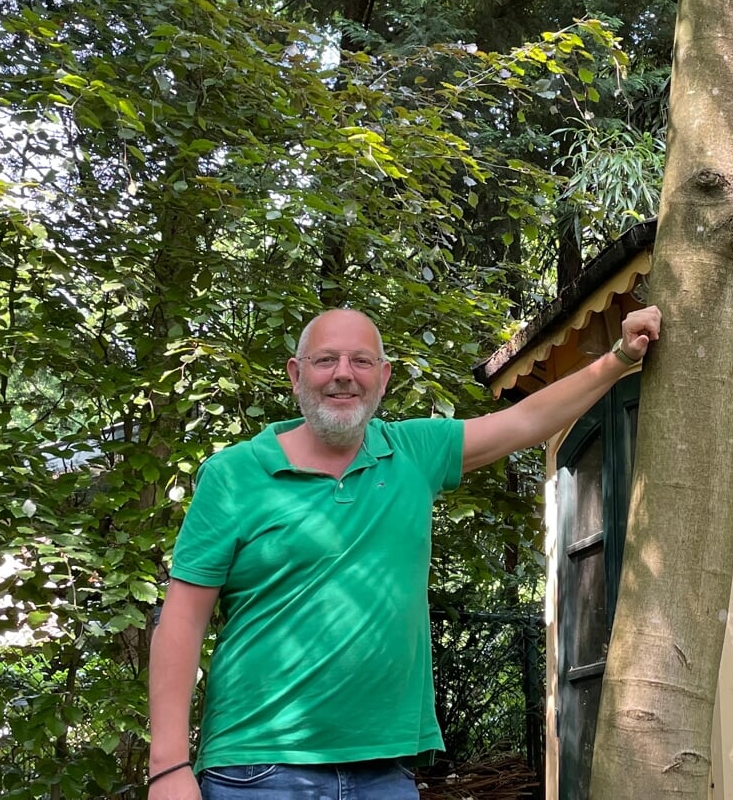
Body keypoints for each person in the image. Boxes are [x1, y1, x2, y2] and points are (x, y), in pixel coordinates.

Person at [146, 304, 662, 800]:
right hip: (256, 770)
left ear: (384, 377)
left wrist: (618, 358)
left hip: (385, 772)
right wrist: (167, 766)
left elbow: (526, 421)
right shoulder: (234, 475)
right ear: (296, 374)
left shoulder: (413, 452)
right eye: (326, 360)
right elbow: (182, 622)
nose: (343, 374)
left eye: (361, 361)